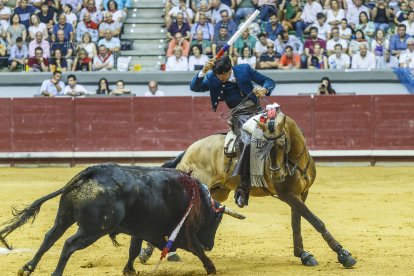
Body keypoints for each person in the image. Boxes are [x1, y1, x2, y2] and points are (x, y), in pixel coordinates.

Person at [190, 55, 276, 208]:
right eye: (218, 75)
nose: (221, 78)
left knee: (281, 130)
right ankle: (243, 187)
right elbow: (195, 87)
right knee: (247, 142)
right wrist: (203, 71)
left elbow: (269, 81)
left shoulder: (244, 69)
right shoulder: (212, 77)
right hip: (239, 117)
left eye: (224, 74)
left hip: (258, 112)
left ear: (230, 69)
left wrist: (264, 89)